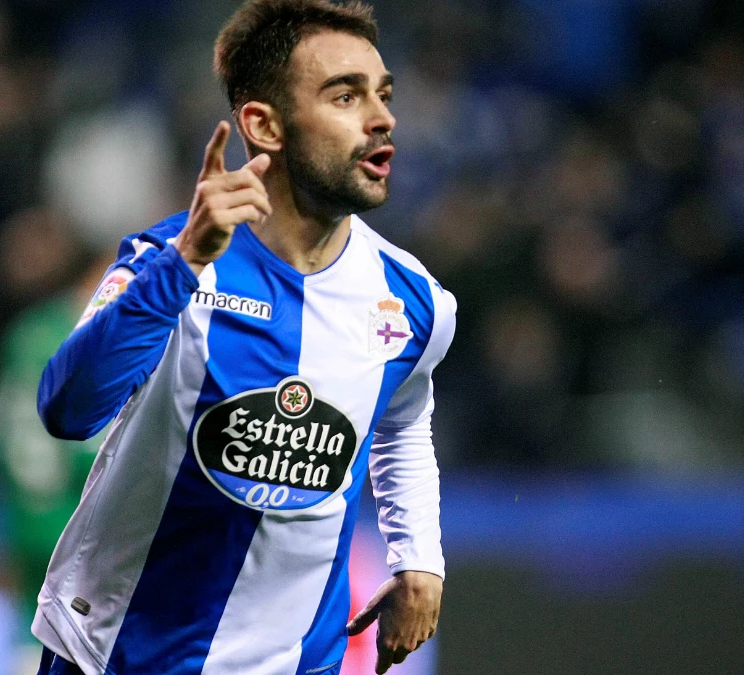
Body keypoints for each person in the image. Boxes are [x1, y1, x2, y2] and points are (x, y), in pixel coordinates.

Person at [32, 1, 456, 673]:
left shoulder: (415, 301)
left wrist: (419, 558)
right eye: (345, 95)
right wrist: (183, 264)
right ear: (264, 124)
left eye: (383, 94)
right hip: (121, 655)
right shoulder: (168, 259)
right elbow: (68, 408)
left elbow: (402, 418)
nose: (382, 118)